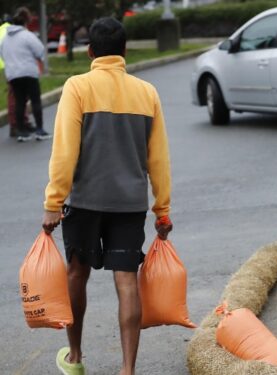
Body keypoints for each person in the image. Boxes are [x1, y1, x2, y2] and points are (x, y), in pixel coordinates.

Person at [41, 17, 172, 375]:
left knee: (75, 274)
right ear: (125, 51)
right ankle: (127, 369)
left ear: (90, 52)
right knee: (127, 280)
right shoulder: (146, 93)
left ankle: (75, 357)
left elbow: (65, 151)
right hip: (130, 203)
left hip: (83, 201)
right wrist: (162, 209)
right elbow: (157, 157)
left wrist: (54, 202)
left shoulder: (78, 87)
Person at [0, 7, 49, 142]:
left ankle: (21, 131)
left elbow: (2, 54)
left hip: (13, 74)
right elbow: (40, 51)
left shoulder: (5, 39)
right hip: (29, 72)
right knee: (35, 101)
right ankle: (40, 130)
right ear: (26, 21)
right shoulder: (27, 35)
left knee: (19, 102)